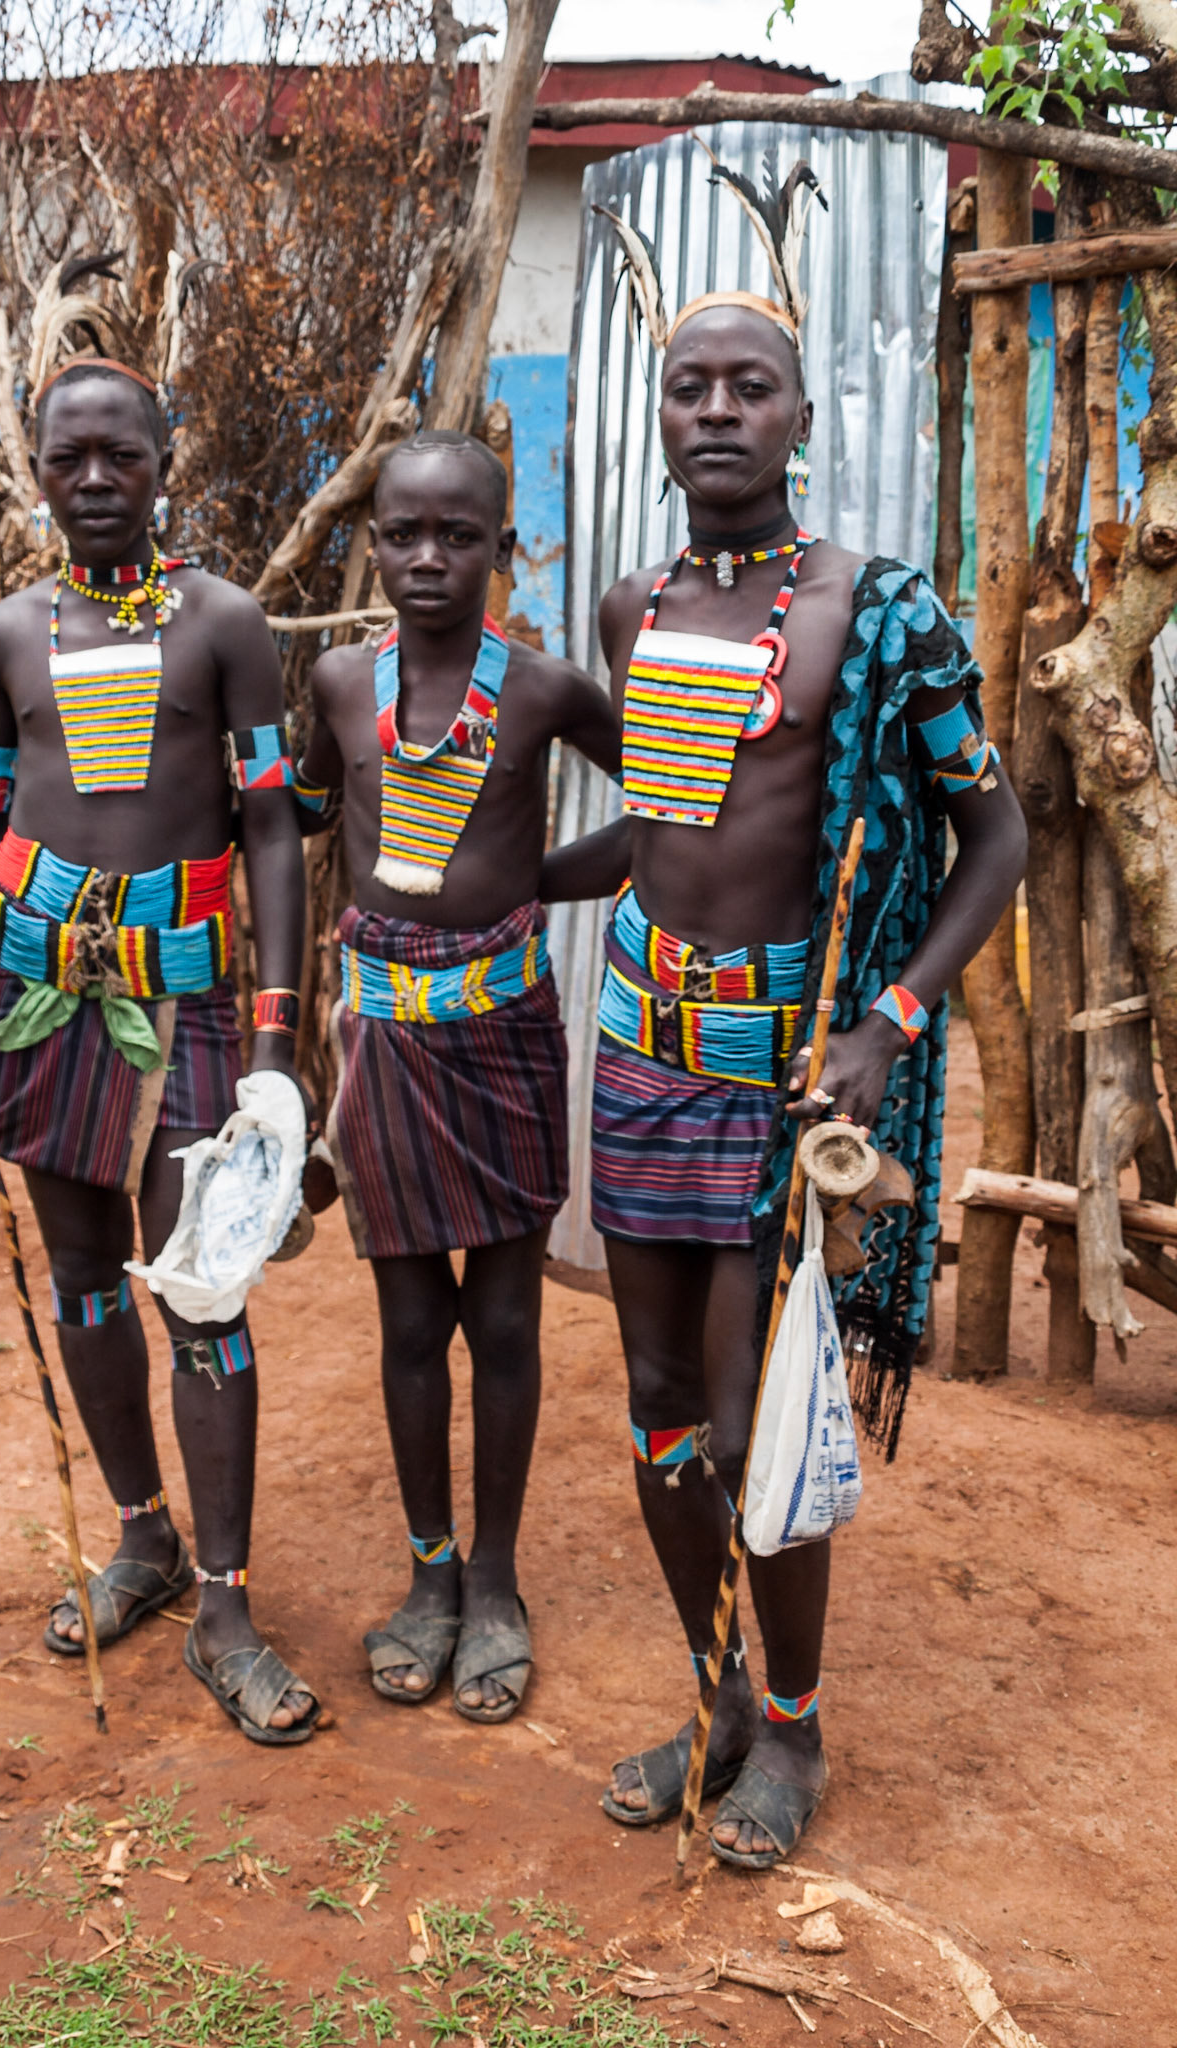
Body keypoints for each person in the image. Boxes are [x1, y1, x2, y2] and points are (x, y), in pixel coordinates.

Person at [542, 165, 1028, 1864]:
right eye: (693, 385)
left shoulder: (872, 615)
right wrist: (489, 879)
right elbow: (665, 824)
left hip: (786, 1069)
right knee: (661, 1408)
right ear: (664, 418)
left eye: (752, 384)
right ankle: (715, 1691)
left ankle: (799, 1733)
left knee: (762, 1424)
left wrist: (889, 1019)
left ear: (804, 412)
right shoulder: (639, 610)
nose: (720, 407)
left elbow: (1001, 834)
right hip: (639, 1052)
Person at [0, 352, 321, 1745]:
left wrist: (279, 1028)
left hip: (191, 1003)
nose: (95, 481)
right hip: (38, 1000)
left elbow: (272, 828)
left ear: (164, 464)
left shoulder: (225, 626)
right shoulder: (6, 637)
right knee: (85, 1275)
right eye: (68, 459)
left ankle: (224, 1601)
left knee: (201, 1292)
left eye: (121, 457)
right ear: (36, 473)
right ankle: (142, 1538)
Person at [295, 430, 621, 1722]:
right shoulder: (335, 680)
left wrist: (537, 880)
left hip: (505, 1037)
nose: (429, 559)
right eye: (404, 534)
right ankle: (429, 1573)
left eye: (459, 536)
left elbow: (666, 799)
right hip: (380, 1040)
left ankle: (496, 1579)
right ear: (372, 542)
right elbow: (308, 814)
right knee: (409, 1324)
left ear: (504, 545)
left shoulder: (540, 691)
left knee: (504, 1320)